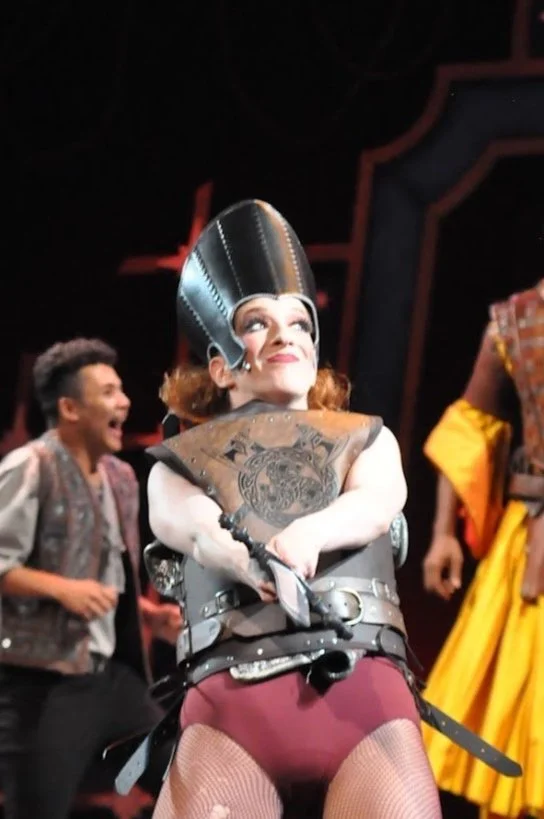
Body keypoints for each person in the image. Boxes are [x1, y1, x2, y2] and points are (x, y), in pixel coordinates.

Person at [143, 199, 443, 819]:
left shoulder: (368, 438)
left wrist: (308, 535)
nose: (286, 335)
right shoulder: (176, 462)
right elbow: (192, 528)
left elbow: (376, 503)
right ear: (220, 366)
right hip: (231, 712)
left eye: (301, 324)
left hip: (365, 707)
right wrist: (243, 559)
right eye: (257, 322)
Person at [0, 338, 182, 819]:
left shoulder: (120, 479)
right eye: (108, 392)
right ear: (70, 408)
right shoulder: (30, 467)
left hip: (110, 680)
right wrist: (64, 591)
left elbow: (99, 580)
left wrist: (148, 616)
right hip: (43, 685)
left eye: (121, 390)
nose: (124, 402)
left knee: (186, 779)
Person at [422, 281, 544, 819]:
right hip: (532, 546)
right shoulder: (518, 320)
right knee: (521, 723)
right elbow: (469, 429)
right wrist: (443, 533)